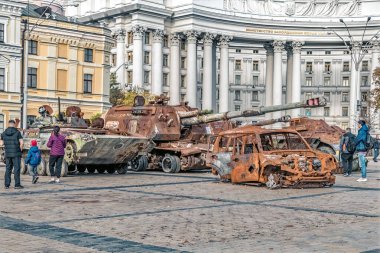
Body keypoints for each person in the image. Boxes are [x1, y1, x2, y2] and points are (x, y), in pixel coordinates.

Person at [0, 120, 24, 189]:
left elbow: (1, 144)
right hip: (16, 154)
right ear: (14, 124)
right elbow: (21, 143)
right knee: (16, 169)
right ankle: (17, 185)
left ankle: (6, 185)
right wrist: (20, 150)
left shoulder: (3, 133)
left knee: (8, 169)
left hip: (7, 154)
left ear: (8, 124)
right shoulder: (17, 132)